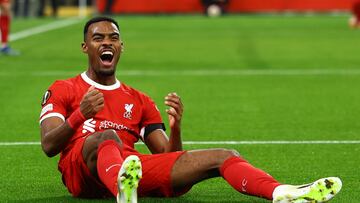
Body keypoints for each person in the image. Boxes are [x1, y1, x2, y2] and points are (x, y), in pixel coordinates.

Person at [39, 16, 342, 203]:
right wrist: (80, 114)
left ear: (121, 47)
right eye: (98, 38)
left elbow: (167, 159)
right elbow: (49, 145)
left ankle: (281, 193)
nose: (107, 43)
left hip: (129, 172)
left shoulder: (140, 100)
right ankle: (122, 188)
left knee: (225, 156)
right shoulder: (64, 88)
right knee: (106, 137)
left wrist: (177, 128)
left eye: (113, 38)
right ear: (85, 47)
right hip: (82, 175)